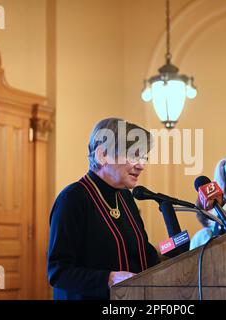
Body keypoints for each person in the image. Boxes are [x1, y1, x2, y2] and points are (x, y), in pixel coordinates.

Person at [47, 118, 159, 300]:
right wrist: (109, 278)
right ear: (102, 155)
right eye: (133, 156)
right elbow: (58, 271)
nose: (141, 165)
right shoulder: (72, 199)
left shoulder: (125, 197)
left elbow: (142, 253)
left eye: (143, 157)